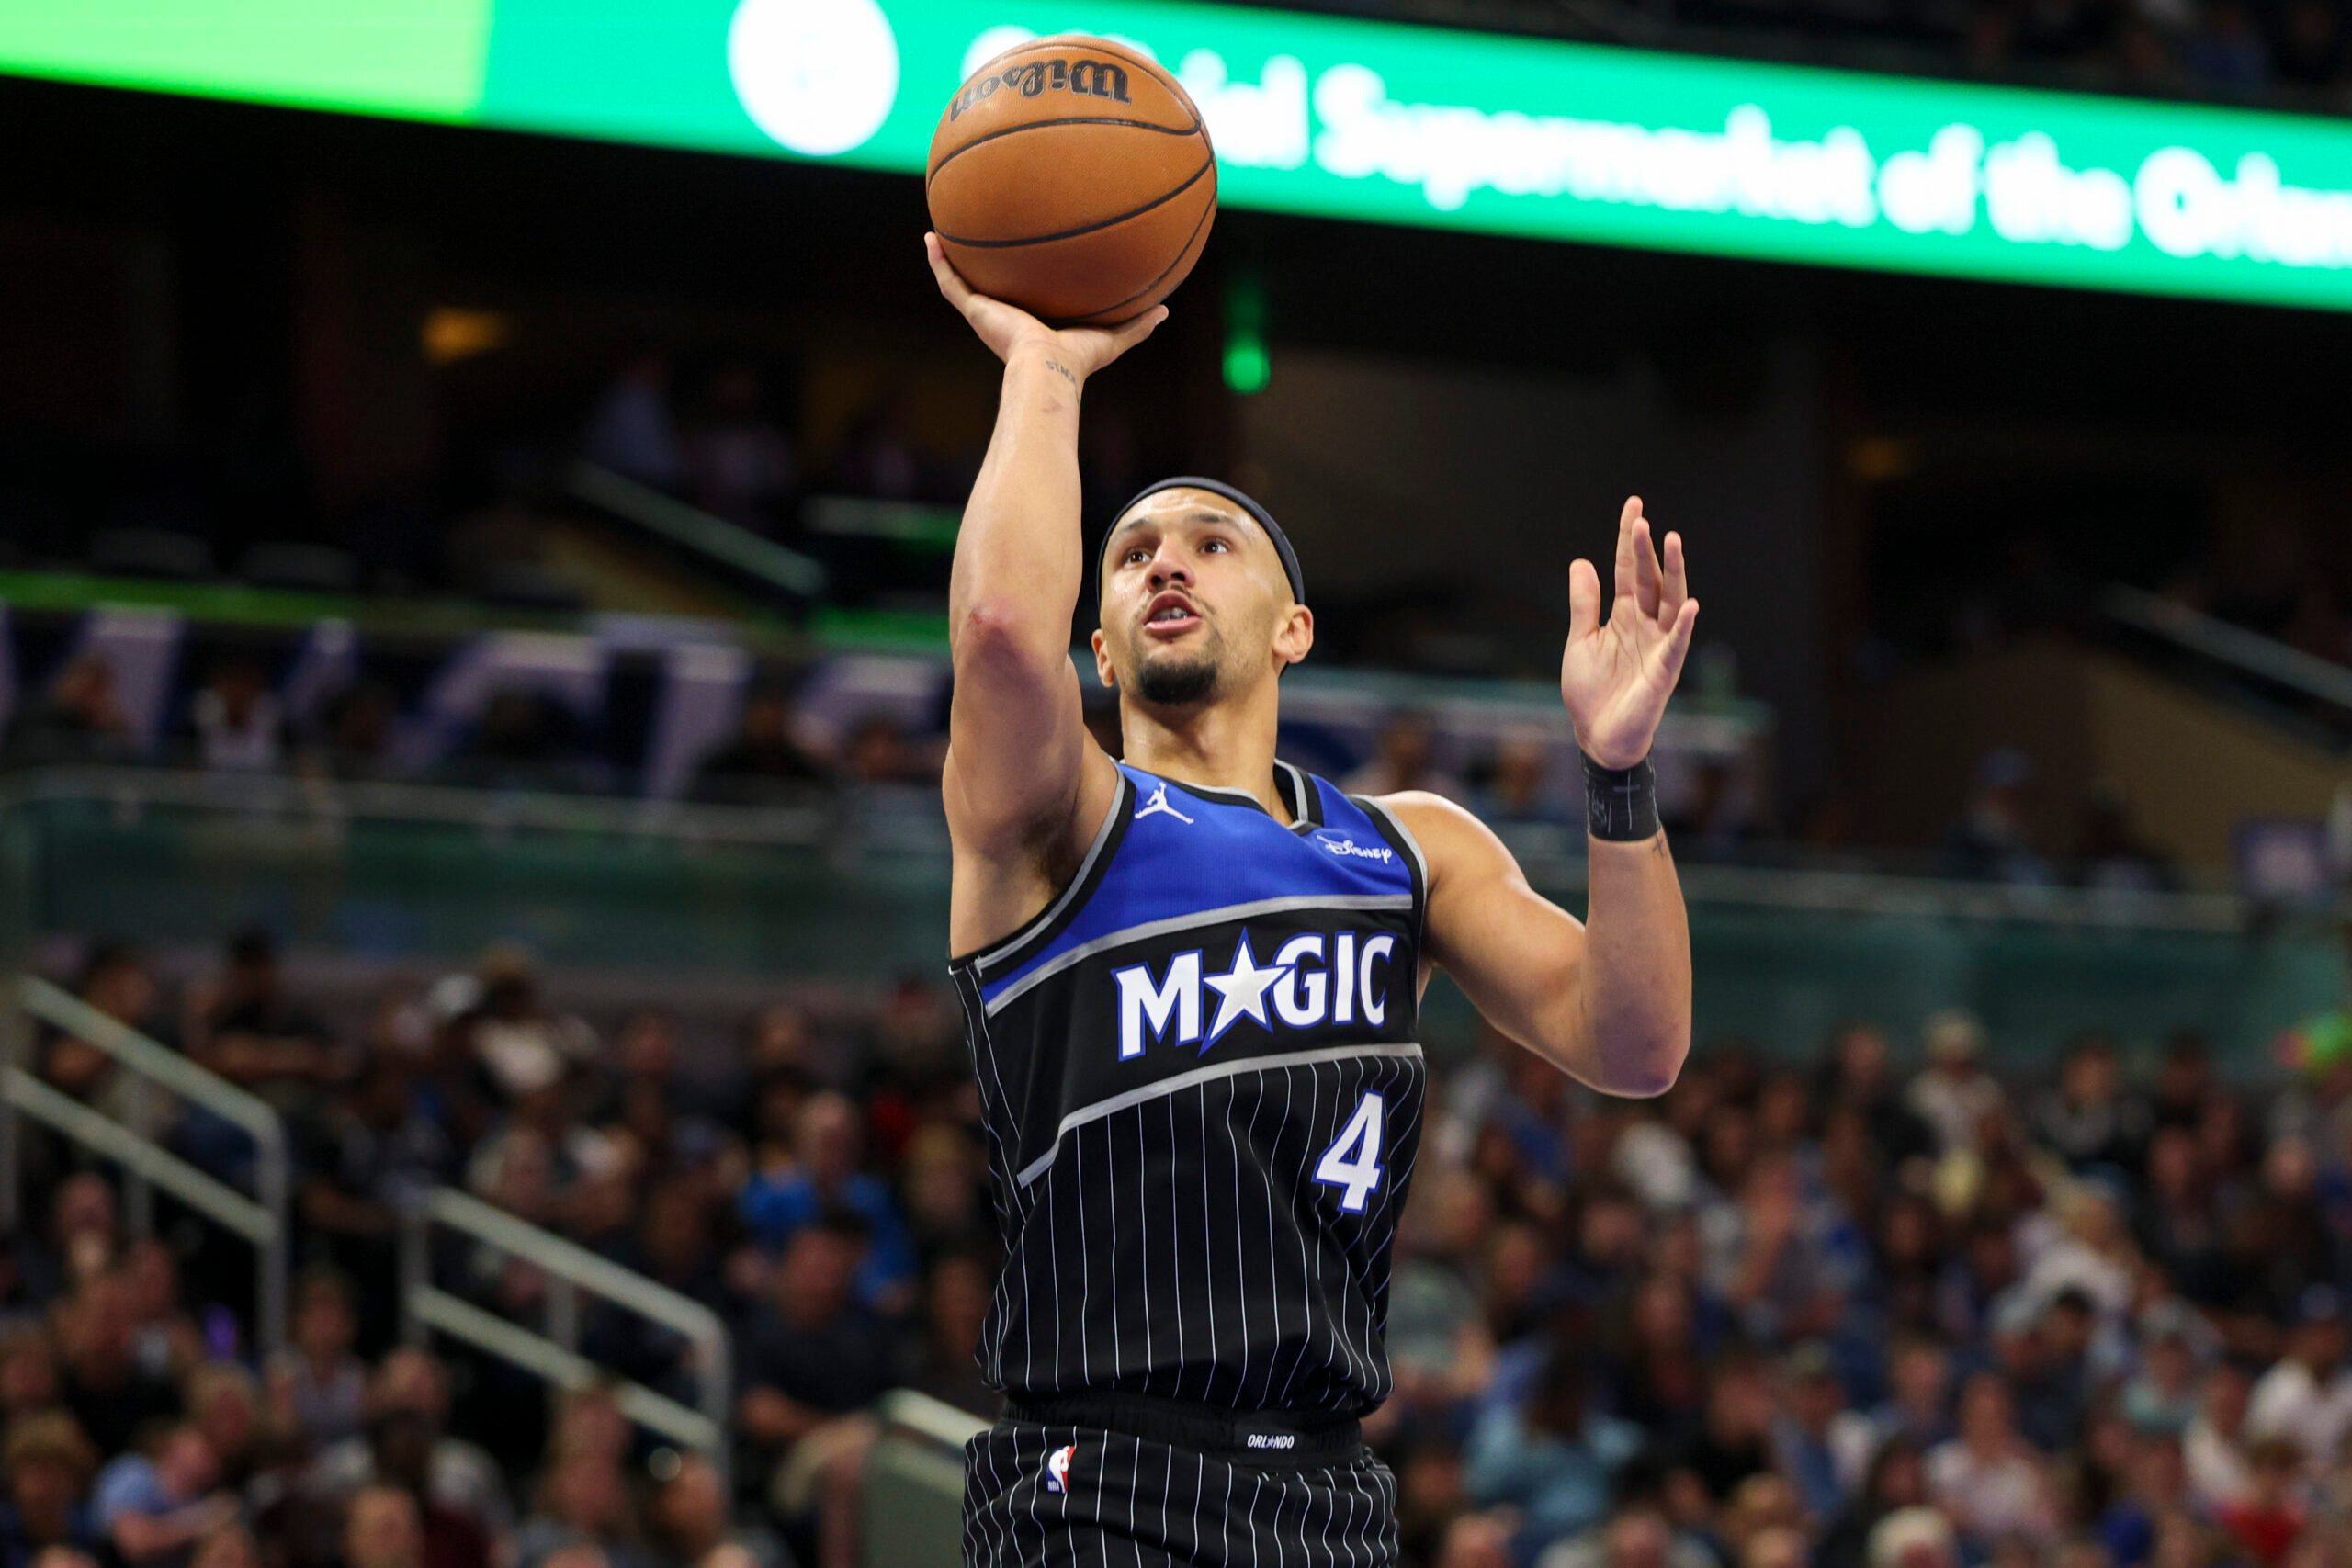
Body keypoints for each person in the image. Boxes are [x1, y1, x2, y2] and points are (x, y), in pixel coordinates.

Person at [924, 231, 1699, 1562]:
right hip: (1098, 1482)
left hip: (1328, 1497)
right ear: (1098, 644)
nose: (1165, 562)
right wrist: (1045, 370)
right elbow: (1000, 630)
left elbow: (1634, 1044)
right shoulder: (1062, 816)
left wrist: (1616, 773)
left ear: (1294, 627)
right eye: (1132, 554)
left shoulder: (1410, 849)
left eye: (1211, 543)